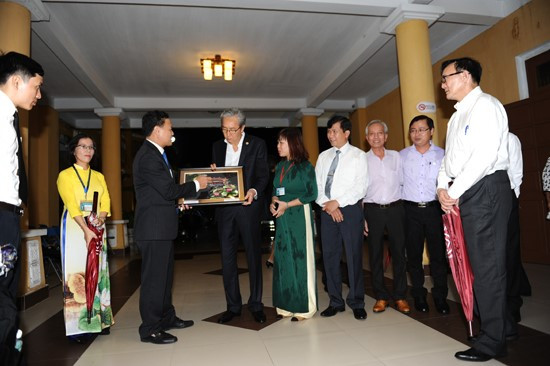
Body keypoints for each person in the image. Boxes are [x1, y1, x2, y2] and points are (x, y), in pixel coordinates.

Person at [437, 57, 513, 362]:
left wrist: (453, 192)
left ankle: (492, 341)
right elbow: (448, 161)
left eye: (446, 78)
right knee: (477, 265)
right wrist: (442, 187)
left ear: (465, 75)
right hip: (465, 190)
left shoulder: (486, 106)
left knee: (487, 268)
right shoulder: (456, 117)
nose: (442, 84)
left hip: (486, 189)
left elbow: (483, 157)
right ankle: (501, 327)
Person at [133, 110, 210, 344]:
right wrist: (197, 183)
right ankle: (150, 329)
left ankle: (166, 318)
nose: (172, 132)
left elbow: (160, 194)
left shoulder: (157, 154)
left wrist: (177, 204)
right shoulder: (148, 156)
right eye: (169, 128)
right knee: (154, 281)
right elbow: (168, 190)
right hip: (153, 230)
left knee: (164, 278)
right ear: (157, 130)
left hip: (161, 226)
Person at [0, 51, 43, 359]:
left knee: (5, 296)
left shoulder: (9, 118)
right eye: (36, 87)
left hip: (9, 215)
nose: (39, 95)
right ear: (17, 81)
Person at [211, 108, 269, 324]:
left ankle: (256, 304)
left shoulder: (257, 144)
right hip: (225, 211)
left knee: (253, 256)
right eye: (224, 129)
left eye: (232, 130)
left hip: (248, 208)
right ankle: (233, 306)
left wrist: (253, 191)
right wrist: (214, 174)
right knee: (227, 259)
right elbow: (219, 181)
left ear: (243, 128)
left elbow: (263, 175)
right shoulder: (217, 147)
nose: (228, 134)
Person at [57, 133, 114, 341]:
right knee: (78, 271)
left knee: (99, 271)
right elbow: (72, 205)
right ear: (74, 150)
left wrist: (100, 219)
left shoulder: (99, 176)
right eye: (83, 146)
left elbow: (106, 201)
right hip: (76, 227)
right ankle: (78, 327)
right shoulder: (65, 175)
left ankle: (101, 319)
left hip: (97, 227)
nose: (88, 150)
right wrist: (86, 229)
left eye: (91, 147)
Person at [315, 115, 368, 321]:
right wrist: (328, 205)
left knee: (354, 256)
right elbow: (317, 186)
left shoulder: (358, 156)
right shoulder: (323, 157)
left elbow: (360, 186)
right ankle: (335, 301)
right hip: (327, 212)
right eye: (328, 131)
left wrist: (338, 202)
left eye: (334, 131)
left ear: (346, 133)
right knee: (329, 257)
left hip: (351, 211)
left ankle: (356, 301)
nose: (330, 135)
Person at [400, 115, 449, 315]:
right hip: (410, 210)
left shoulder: (443, 155)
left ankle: (440, 297)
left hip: (434, 210)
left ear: (431, 131)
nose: (416, 134)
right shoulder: (402, 156)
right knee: (413, 256)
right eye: (413, 130)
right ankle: (419, 295)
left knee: (438, 256)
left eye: (421, 129)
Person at [270, 128, 318, 321]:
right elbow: (276, 189)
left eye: (282, 142)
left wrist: (287, 205)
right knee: (283, 260)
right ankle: (286, 305)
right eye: (278, 142)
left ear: (292, 144)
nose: (278, 146)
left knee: (300, 259)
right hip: (282, 216)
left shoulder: (305, 167)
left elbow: (312, 194)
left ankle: (305, 307)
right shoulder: (281, 166)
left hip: (298, 213)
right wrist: (273, 202)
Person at [363, 120, 410, 314]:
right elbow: (359, 190)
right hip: (372, 210)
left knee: (399, 253)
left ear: (386, 136)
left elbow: (402, 182)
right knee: (375, 255)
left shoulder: (396, 157)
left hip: (395, 209)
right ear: (367, 138)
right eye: (372, 134)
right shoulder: (362, 160)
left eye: (380, 133)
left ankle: (400, 296)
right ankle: (381, 296)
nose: (376, 137)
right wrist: (362, 217)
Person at [506, 133, 531, 323]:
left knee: (510, 254)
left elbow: (516, 174)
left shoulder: (510, 139)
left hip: (506, 200)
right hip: (479, 202)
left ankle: (513, 304)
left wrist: (511, 201)